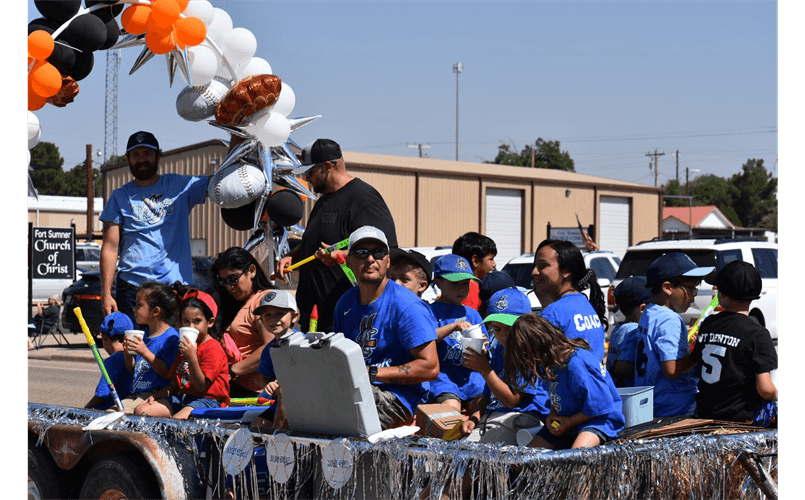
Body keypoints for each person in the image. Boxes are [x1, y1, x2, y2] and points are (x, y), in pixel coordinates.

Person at [277, 139, 398, 333]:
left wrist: (342, 256)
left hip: (347, 321)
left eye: (310, 172)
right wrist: (293, 255)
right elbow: (314, 244)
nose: (307, 178)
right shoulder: (323, 201)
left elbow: (386, 250)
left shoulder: (364, 198)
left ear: (327, 167)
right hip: (315, 318)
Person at [334, 226, 439, 430]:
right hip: (354, 390)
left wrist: (370, 373)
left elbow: (430, 367)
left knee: (341, 414)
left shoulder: (407, 305)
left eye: (378, 252)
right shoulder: (345, 303)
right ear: (349, 261)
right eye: (361, 252)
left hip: (398, 399)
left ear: (387, 261)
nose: (370, 259)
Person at [100, 131, 209, 324]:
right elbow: (110, 247)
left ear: (159, 156)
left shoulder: (180, 186)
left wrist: (236, 135)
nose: (141, 159)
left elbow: (220, 183)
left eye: (147, 153)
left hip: (173, 290)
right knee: (133, 342)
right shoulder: (119, 197)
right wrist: (106, 294)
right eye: (135, 154)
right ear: (128, 159)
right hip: (133, 288)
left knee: (172, 343)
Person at [507, 314, 625, 450]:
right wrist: (552, 415)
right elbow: (556, 396)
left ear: (538, 347)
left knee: (575, 457)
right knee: (526, 457)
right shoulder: (550, 365)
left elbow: (601, 404)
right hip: (567, 422)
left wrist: (570, 422)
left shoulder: (577, 364)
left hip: (598, 421)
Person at [690, 261, 778, 424]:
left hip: (705, 414)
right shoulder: (757, 333)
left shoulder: (709, 323)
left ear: (722, 295)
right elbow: (765, 390)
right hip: (740, 419)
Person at [461, 288, 548, 445]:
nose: (503, 335)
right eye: (497, 329)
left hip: (522, 418)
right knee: (461, 450)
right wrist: (474, 418)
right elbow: (487, 396)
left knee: (480, 455)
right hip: (495, 416)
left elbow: (512, 400)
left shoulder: (527, 351)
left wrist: (484, 369)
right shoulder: (500, 349)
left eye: (511, 328)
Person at [634, 252, 712, 417]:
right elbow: (671, 369)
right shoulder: (669, 319)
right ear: (668, 287)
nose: (693, 298)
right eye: (691, 289)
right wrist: (699, 351)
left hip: (653, 403)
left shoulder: (649, 312)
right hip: (676, 406)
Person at [135, 288, 229, 418]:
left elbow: (201, 386)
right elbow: (175, 383)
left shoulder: (213, 348)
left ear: (210, 322)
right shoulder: (184, 345)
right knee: (141, 410)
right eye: (186, 321)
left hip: (208, 401)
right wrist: (156, 396)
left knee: (176, 423)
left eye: (197, 321)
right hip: (184, 398)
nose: (190, 327)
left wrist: (192, 357)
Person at [209, 247, 274, 398]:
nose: (229, 287)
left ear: (251, 271)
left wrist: (232, 371)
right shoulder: (238, 304)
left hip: (255, 394)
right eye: (223, 282)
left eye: (233, 279)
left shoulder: (262, 301)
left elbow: (271, 347)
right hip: (235, 387)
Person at [427, 255, 486, 413]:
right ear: (438, 282)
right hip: (444, 377)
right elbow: (427, 338)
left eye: (465, 284)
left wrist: (483, 346)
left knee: (481, 407)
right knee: (451, 408)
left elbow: (485, 351)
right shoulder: (431, 311)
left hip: (472, 378)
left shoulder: (473, 314)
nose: (461, 289)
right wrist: (453, 327)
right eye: (455, 283)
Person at [532, 239, 609, 362]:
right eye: (535, 266)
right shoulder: (586, 306)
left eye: (543, 266)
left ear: (566, 271)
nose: (534, 272)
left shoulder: (553, 315)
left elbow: (538, 365)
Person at [121, 281, 181, 412]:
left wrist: (144, 352)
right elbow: (134, 370)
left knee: (122, 416)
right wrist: (127, 353)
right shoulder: (144, 334)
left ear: (155, 311)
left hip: (156, 395)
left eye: (139, 305)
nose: (134, 309)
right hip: (136, 394)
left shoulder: (171, 338)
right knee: (110, 413)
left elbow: (168, 373)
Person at [249, 290, 301, 430]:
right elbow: (264, 377)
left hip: (301, 403)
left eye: (280, 314)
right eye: (268, 315)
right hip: (279, 403)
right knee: (256, 426)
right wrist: (269, 385)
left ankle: (277, 437)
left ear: (294, 317)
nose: (273, 319)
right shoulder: (269, 349)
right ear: (262, 320)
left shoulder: (302, 344)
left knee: (284, 395)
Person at [607, 276, 652, 387]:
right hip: (631, 392)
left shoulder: (618, 329)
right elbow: (623, 367)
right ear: (643, 308)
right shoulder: (634, 331)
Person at [84, 312, 134, 410]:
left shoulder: (113, 361)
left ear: (104, 337)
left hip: (111, 409)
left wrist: (86, 408)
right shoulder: (134, 357)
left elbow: (102, 395)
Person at [451, 232, 497, 311]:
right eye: (491, 259)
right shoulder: (469, 291)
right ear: (475, 261)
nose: (494, 264)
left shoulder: (464, 286)